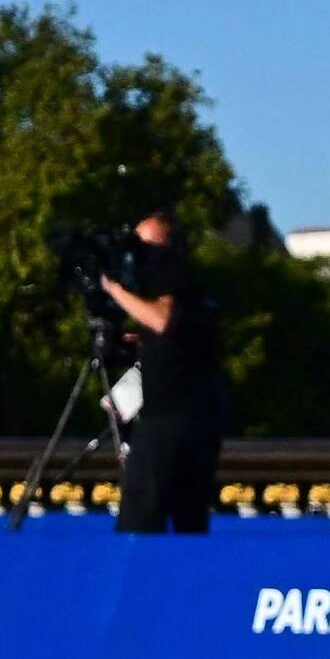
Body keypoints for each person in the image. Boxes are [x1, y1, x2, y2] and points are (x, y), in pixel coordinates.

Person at [94, 209, 230, 534]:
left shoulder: (170, 270)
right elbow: (176, 337)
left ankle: (137, 580)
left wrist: (114, 290)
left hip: (168, 419)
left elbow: (161, 319)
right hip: (198, 420)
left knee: (138, 519)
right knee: (189, 522)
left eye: (145, 243)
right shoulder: (196, 290)